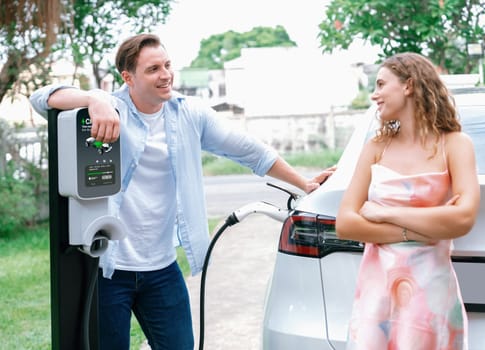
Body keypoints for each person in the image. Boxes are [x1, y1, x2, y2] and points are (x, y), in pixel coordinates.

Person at [30, 33, 334, 350]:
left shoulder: (189, 113)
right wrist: (95, 100)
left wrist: (305, 183)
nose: (165, 75)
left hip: (162, 269)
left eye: (167, 65)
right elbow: (41, 98)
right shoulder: (111, 107)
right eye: (153, 69)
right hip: (111, 270)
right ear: (128, 77)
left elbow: (250, 151)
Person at [335, 52, 480, 350]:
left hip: (430, 299)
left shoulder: (454, 144)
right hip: (377, 300)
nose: (374, 95)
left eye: (380, 84)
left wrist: (385, 214)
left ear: (408, 86)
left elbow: (464, 219)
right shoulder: (376, 147)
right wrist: (429, 228)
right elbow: (345, 223)